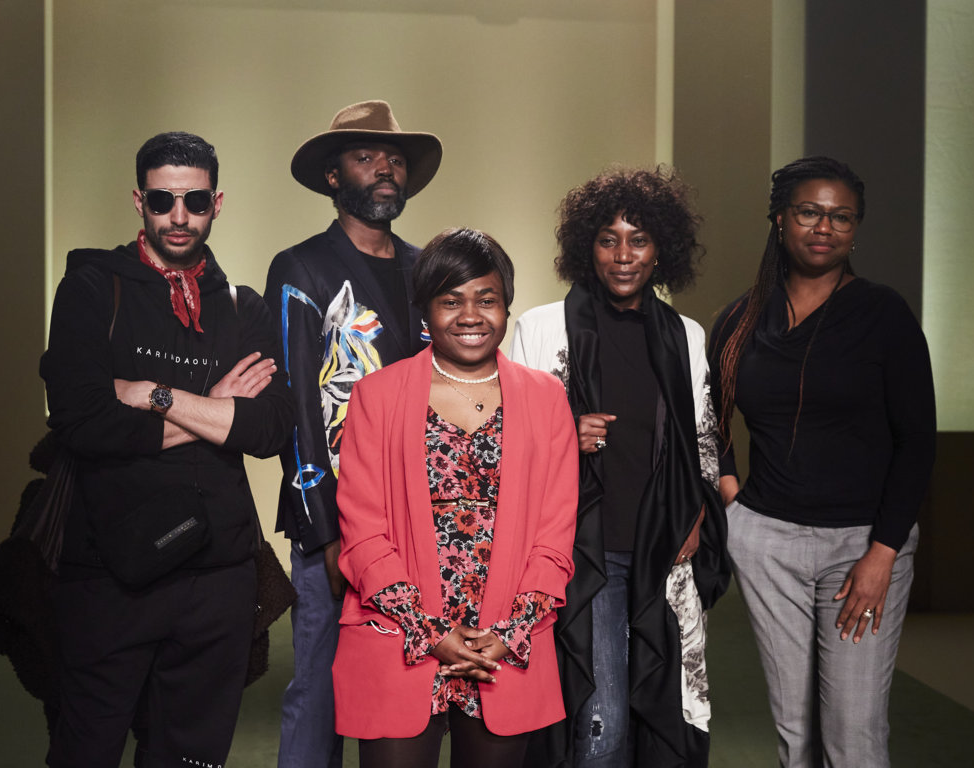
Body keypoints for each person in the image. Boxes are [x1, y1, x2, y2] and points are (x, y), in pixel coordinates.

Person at [39, 131, 295, 767]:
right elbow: (81, 421)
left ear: (216, 203)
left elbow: (269, 429)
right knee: (85, 752)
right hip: (107, 571)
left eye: (195, 201)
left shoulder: (242, 308)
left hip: (218, 575)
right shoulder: (92, 289)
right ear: (139, 201)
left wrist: (152, 393)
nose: (179, 216)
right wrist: (216, 408)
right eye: (162, 200)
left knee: (191, 759)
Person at [709, 156, 936, 767]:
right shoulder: (740, 320)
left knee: (852, 734)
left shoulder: (883, 314)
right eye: (810, 212)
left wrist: (883, 553)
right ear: (780, 219)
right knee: (795, 730)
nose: (824, 227)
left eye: (842, 217)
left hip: (862, 545)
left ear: (855, 230)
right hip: (768, 544)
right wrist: (733, 499)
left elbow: (917, 441)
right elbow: (710, 419)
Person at [332, 228, 579, 768]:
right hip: (401, 632)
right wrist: (429, 630)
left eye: (487, 300)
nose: (471, 316)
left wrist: (511, 631)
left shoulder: (546, 398)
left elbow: (556, 532)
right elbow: (363, 530)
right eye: (451, 301)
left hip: (504, 642)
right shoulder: (376, 396)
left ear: (506, 306)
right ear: (426, 309)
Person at [510, 167, 730, 767]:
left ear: (661, 250)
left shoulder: (685, 335)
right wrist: (564, 433)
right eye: (609, 240)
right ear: (588, 247)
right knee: (601, 724)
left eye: (639, 240)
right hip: (586, 547)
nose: (624, 255)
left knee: (658, 716)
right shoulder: (541, 327)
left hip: (664, 546)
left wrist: (697, 517)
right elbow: (506, 439)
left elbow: (703, 441)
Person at [263, 100, 441, 768]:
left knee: (409, 694)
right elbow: (297, 408)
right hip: (334, 522)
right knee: (320, 691)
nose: (385, 169)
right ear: (333, 176)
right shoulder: (300, 267)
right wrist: (324, 532)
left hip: (423, 517)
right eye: (366, 158)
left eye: (394, 159)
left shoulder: (430, 269)